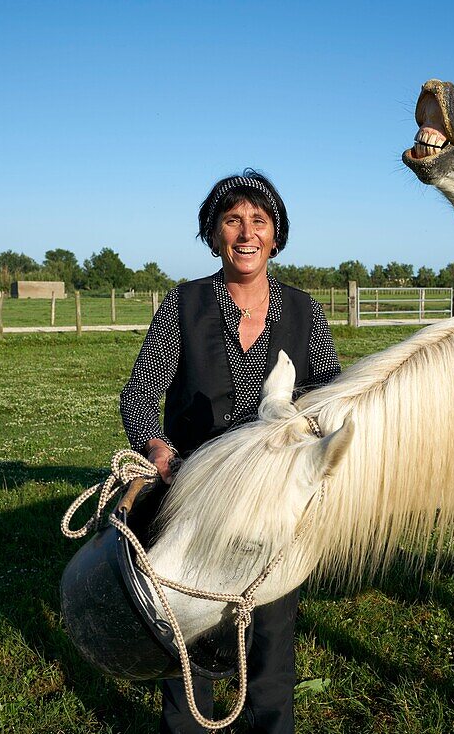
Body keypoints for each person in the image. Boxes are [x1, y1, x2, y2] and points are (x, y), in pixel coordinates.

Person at [119, 169, 341, 733]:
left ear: (276, 235)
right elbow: (141, 393)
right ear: (215, 233)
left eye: (258, 221)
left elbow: (327, 398)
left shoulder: (304, 311)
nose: (246, 233)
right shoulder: (183, 304)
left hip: (268, 501)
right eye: (232, 220)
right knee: (183, 626)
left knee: (268, 632)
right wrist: (161, 454)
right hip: (189, 493)